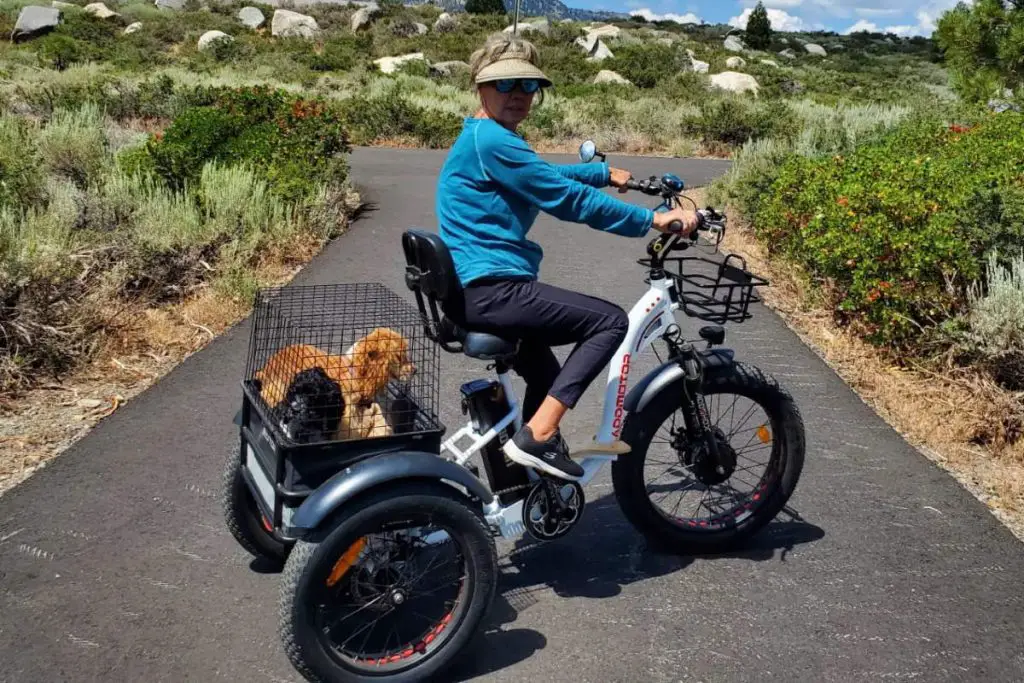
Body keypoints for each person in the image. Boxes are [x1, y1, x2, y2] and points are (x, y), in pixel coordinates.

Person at [435, 33, 699, 481]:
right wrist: (652, 221)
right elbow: (562, 197)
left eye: (528, 86)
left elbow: (540, 172)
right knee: (609, 322)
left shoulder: (487, 137)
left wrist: (600, 172)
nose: (518, 95)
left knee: (545, 375)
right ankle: (537, 436)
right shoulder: (492, 141)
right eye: (505, 85)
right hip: (494, 290)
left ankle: (529, 480)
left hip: (474, 291)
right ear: (480, 87)